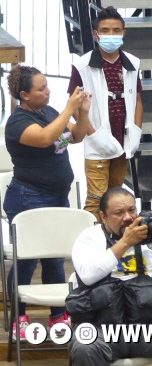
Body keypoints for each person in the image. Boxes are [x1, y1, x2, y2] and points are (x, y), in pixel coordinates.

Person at [67, 187, 152, 366]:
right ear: (103, 216)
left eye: (131, 210)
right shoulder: (90, 237)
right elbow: (88, 275)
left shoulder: (148, 238)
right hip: (101, 327)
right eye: (119, 213)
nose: (128, 217)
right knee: (84, 347)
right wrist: (126, 242)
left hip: (148, 325)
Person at [4, 65, 90, 335]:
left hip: (57, 196)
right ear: (24, 95)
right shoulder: (18, 122)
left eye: (47, 86)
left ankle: (58, 315)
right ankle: (19, 317)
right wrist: (68, 109)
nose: (48, 91)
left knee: (54, 259)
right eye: (41, 89)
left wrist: (82, 113)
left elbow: (76, 136)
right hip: (29, 197)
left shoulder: (48, 112)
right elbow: (44, 139)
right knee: (27, 260)